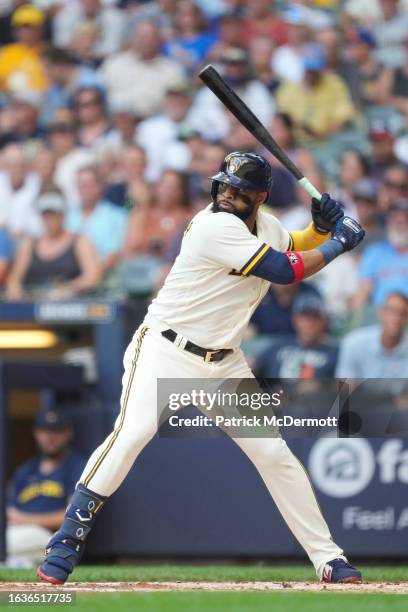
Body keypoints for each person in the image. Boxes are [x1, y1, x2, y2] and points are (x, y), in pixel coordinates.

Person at [37, 151, 365, 586]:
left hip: (223, 362)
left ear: (260, 197)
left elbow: (294, 244)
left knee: (275, 456)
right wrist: (339, 241)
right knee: (131, 433)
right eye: (223, 186)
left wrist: (320, 229)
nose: (227, 194)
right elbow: (285, 270)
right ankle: (66, 540)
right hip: (164, 349)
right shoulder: (214, 226)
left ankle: (329, 558)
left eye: (239, 190)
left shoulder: (266, 225)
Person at [7, 407, 85, 566]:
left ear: (68, 433)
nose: (50, 437)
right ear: (36, 433)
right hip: (19, 534)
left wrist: (23, 519)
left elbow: (73, 518)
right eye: (45, 430)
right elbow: (9, 511)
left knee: (8, 541)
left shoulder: (77, 467)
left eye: (57, 431)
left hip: (53, 538)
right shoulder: (26, 470)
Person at [5, 190, 101, 301]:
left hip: (70, 304)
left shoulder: (80, 241)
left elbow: (92, 277)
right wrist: (15, 291)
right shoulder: (30, 244)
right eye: (46, 215)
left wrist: (67, 289)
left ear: (62, 215)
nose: (49, 219)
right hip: (33, 303)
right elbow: (14, 280)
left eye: (53, 214)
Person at [100, 20, 185, 116]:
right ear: (134, 39)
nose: (145, 41)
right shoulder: (113, 64)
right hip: (117, 121)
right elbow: (99, 96)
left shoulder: (172, 70)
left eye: (150, 37)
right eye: (141, 37)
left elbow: (177, 103)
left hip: (153, 122)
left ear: (159, 40)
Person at [276, 43, 354, 141]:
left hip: (329, 139)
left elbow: (343, 116)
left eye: (314, 70)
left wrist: (323, 136)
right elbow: (282, 117)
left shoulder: (335, 84)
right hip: (296, 142)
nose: (311, 74)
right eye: (308, 70)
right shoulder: (289, 88)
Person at [255, 294, 337, 379]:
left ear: (325, 321)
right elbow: (251, 366)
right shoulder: (279, 345)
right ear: (295, 320)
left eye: (315, 317)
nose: (309, 323)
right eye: (305, 317)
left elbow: (345, 386)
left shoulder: (334, 353)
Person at [65, 165, 128, 274]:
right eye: (80, 185)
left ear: (99, 187)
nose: (83, 189)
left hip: (104, 277)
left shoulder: (118, 216)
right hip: (69, 275)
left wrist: (91, 275)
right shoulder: (66, 216)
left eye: (88, 185)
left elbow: (113, 256)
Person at [337, 291, 408, 380]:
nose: (396, 317)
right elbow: (345, 387)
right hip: (360, 394)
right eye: (391, 311)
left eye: (403, 313)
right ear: (381, 312)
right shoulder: (355, 343)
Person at [352, 199, 408, 310]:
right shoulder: (374, 252)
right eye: (394, 219)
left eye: (405, 220)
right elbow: (364, 290)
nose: (399, 223)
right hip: (380, 318)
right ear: (387, 224)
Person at [0, 3, 47, 94]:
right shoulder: (6, 52)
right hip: (11, 99)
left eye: (31, 27)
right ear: (15, 30)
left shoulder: (48, 51)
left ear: (41, 29)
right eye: (22, 27)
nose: (26, 31)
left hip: (41, 99)